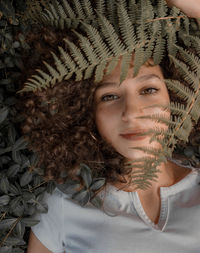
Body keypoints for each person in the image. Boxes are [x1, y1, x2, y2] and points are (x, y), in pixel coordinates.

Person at [15, 0, 200, 252]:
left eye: (149, 89)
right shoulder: (63, 205)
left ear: (177, 94)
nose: (132, 113)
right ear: (83, 110)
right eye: (110, 96)